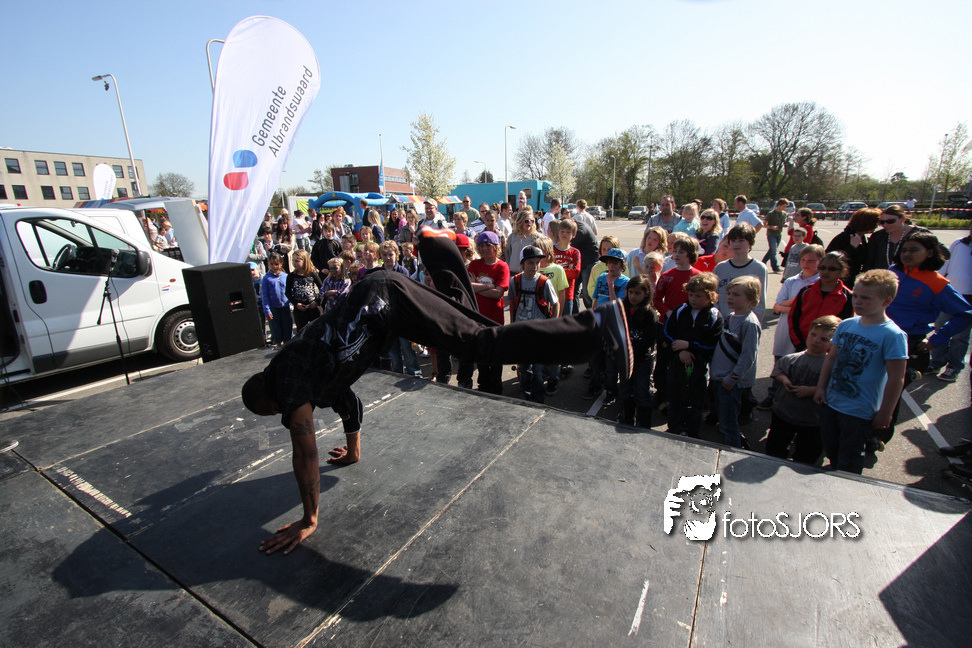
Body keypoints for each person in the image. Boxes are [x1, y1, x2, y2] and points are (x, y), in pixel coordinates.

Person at [242, 232, 634, 555]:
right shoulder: (312, 380)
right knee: (468, 325)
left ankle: (597, 326)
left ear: (274, 401)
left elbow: (305, 454)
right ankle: (436, 245)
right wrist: (354, 452)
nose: (289, 416)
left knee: (479, 343)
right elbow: (347, 401)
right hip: (385, 306)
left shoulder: (289, 380)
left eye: (278, 413)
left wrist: (309, 520)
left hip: (387, 302)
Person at [814, 270, 908, 474]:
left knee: (850, 458)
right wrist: (821, 387)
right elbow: (831, 358)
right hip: (832, 402)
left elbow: (896, 378)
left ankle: (846, 485)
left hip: (859, 411)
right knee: (831, 447)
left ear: (886, 301)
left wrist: (886, 412)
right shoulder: (846, 325)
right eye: (855, 295)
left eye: (866, 298)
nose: (857, 301)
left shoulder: (893, 335)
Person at [885, 231, 972, 435]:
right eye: (904, 249)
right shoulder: (892, 272)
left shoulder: (936, 282)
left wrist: (935, 340)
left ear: (930, 252)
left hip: (908, 344)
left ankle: (878, 437)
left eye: (914, 250)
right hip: (880, 337)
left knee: (889, 394)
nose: (907, 254)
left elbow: (965, 314)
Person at [764, 315, 840, 465]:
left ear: (834, 343)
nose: (816, 340)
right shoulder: (792, 358)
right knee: (774, 451)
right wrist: (784, 380)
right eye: (813, 334)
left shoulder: (830, 366)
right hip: (783, 415)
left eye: (824, 339)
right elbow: (778, 370)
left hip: (812, 421)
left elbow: (834, 387)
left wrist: (811, 390)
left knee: (805, 459)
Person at [757, 244, 823, 410]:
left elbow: (810, 310)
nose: (806, 263)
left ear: (820, 261)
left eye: (811, 260)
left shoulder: (820, 284)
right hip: (785, 330)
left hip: (805, 332)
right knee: (781, 364)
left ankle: (793, 402)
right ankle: (773, 395)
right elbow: (777, 307)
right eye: (803, 260)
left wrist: (792, 305)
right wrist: (799, 304)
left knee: (801, 367)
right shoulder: (792, 281)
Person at [662, 273, 723, 437]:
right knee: (675, 398)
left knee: (696, 402)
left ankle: (692, 432)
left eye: (698, 296)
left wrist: (690, 346)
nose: (693, 299)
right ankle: (674, 428)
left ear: (710, 296)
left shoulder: (714, 316)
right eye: (690, 295)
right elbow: (667, 333)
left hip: (699, 365)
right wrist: (680, 350)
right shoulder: (680, 310)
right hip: (678, 362)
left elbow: (713, 343)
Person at [710, 276, 763, 448]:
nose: (730, 297)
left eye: (736, 294)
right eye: (729, 293)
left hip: (730, 382)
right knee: (723, 414)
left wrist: (732, 379)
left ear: (751, 299)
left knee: (729, 421)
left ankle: (732, 448)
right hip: (719, 377)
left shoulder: (749, 323)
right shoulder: (731, 316)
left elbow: (748, 356)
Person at [509, 245, 560, 403]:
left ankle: (538, 399)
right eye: (531, 262)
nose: (535, 266)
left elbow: (556, 303)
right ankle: (526, 392)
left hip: (539, 332)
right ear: (522, 264)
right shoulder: (515, 281)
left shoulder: (544, 282)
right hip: (522, 331)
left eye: (537, 262)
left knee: (538, 369)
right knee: (524, 367)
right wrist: (512, 326)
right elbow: (512, 304)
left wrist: (552, 325)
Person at [467, 231, 510, 394]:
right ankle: (483, 385)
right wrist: (488, 286)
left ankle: (496, 386)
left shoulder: (502, 266)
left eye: (488, 245)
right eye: (481, 246)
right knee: (481, 352)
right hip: (477, 316)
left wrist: (476, 286)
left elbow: (498, 293)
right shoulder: (474, 264)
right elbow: (468, 287)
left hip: (494, 317)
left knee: (496, 353)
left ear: (496, 247)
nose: (484, 249)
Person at [930, 223, 972, 381]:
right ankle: (936, 362)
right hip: (949, 293)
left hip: (969, 298)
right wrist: (936, 285)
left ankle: (954, 367)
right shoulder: (959, 243)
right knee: (940, 328)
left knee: (960, 335)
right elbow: (945, 264)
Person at [617, 274, 660, 429]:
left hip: (642, 359)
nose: (633, 296)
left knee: (642, 392)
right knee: (626, 391)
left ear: (646, 294)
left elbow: (649, 339)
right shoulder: (622, 308)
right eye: (631, 292)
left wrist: (633, 352)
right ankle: (627, 420)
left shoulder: (649, 313)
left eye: (638, 293)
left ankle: (644, 426)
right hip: (625, 359)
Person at [788, 251, 854, 352]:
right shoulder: (806, 291)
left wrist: (830, 349)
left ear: (842, 271)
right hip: (802, 346)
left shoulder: (847, 296)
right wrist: (800, 345)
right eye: (822, 268)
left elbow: (844, 327)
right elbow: (793, 319)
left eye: (832, 269)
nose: (825, 271)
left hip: (827, 351)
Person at [714, 223, 768, 322]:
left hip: (745, 323)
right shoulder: (720, 267)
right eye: (733, 240)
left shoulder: (759, 268)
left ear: (750, 243)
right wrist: (718, 320)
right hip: (722, 322)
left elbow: (760, 302)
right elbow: (714, 297)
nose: (736, 244)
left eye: (741, 241)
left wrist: (753, 322)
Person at [864, 204, 932, 273]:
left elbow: (935, 257)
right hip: (883, 277)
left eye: (890, 221)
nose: (885, 225)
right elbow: (869, 262)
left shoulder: (921, 233)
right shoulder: (878, 236)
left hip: (914, 276)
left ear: (902, 219)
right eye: (882, 222)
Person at [827, 207, 880, 286]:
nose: (877, 226)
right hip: (841, 281)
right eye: (875, 223)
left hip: (853, 279)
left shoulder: (861, 237)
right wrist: (852, 247)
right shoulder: (845, 237)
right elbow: (831, 259)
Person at [285, 250, 323, 332]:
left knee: (316, 330)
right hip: (300, 308)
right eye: (293, 260)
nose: (294, 263)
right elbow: (287, 292)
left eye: (297, 261)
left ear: (305, 261)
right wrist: (296, 303)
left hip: (312, 306)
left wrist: (317, 301)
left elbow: (322, 289)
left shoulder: (312, 274)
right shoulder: (291, 276)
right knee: (301, 330)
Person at [261, 252, 292, 346]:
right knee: (276, 329)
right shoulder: (266, 278)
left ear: (281, 264)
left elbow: (290, 290)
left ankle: (287, 346)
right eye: (271, 264)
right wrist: (267, 310)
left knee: (287, 328)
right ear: (268, 264)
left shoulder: (285, 276)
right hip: (273, 308)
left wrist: (292, 302)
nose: (274, 266)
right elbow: (264, 295)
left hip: (285, 306)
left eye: (276, 264)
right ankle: (278, 346)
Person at [762, 198, 788, 273]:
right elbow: (764, 224)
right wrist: (772, 227)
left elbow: (783, 222)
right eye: (783, 206)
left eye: (785, 206)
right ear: (779, 205)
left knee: (772, 250)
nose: (784, 208)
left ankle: (763, 262)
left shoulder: (784, 214)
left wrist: (785, 225)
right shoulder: (771, 213)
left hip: (779, 234)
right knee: (774, 251)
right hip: (771, 234)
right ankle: (775, 267)